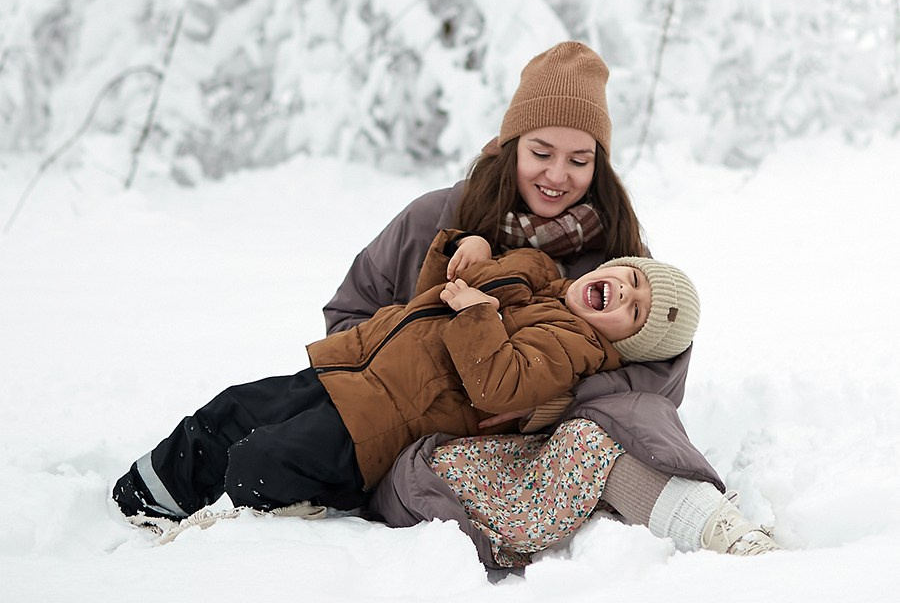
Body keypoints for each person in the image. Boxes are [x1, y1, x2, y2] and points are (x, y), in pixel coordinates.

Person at [325, 40, 779, 562]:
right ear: (510, 145)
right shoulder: (435, 217)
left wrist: (554, 402)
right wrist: (422, 381)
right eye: (541, 153)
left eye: (579, 160)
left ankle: (719, 531)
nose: (557, 176)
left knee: (606, 437)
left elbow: (658, 376)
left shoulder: (617, 255)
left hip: (548, 441)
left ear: (599, 165)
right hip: (419, 433)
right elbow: (349, 317)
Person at [111, 225, 700, 526]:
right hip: (347, 368)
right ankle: (143, 499)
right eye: (633, 279)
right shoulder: (534, 269)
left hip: (375, 424)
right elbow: (431, 300)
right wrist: (460, 253)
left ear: (628, 340)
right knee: (230, 409)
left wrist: (479, 313)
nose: (625, 293)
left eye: (637, 311)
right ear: (613, 266)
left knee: (263, 458)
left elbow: (497, 385)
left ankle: (267, 522)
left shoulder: (572, 349)